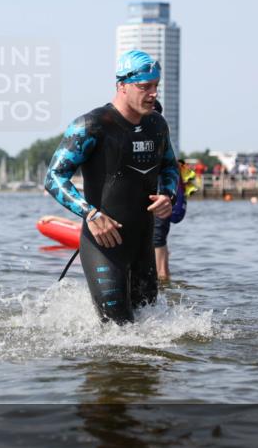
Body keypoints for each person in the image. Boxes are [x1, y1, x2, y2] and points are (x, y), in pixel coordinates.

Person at [44, 50, 179, 324]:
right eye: (145, 87)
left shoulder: (157, 125)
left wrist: (168, 194)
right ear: (122, 85)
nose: (153, 94)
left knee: (150, 329)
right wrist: (90, 213)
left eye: (156, 86)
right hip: (104, 246)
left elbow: (170, 167)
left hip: (142, 245)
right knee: (118, 332)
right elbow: (54, 177)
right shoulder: (91, 126)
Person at [154, 159, 197, 281]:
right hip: (164, 196)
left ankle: (162, 280)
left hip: (160, 196)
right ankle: (164, 281)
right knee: (159, 238)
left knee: (157, 238)